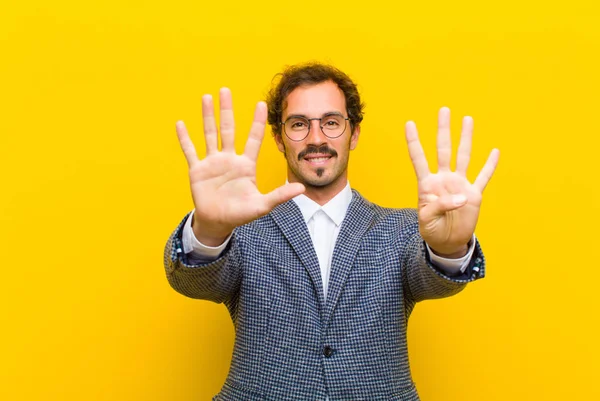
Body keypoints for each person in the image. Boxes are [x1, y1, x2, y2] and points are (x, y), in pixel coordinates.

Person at [164, 63, 499, 400]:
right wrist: (208, 230)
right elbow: (193, 281)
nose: (317, 138)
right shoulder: (239, 232)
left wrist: (450, 247)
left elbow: (434, 281)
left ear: (353, 133)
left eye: (331, 123)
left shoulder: (406, 231)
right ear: (279, 139)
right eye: (299, 124)